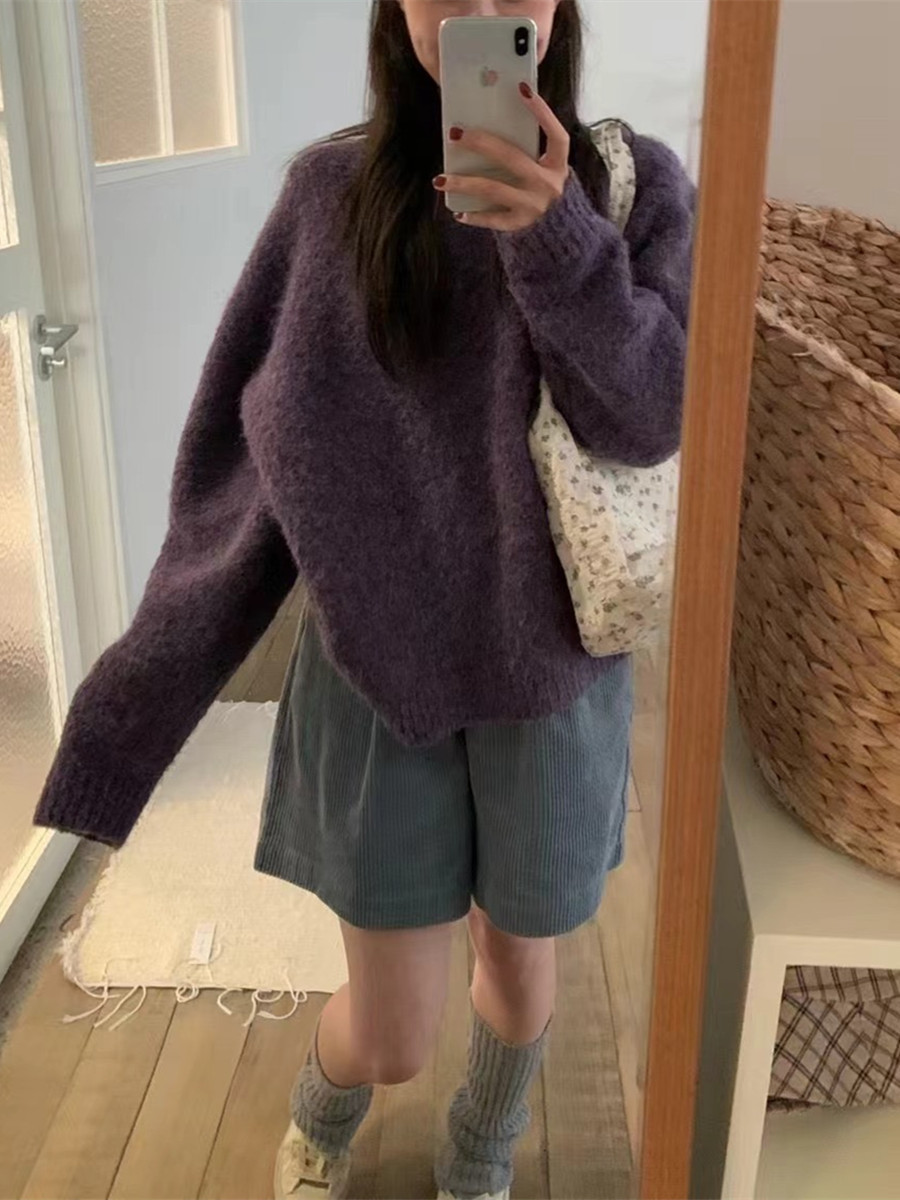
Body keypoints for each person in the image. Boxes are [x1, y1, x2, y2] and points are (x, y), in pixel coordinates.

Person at [35, 1, 693, 1196]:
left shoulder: (633, 188)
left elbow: (650, 416)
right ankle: (323, 1118)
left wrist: (555, 237)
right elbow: (246, 464)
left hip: (551, 678)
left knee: (520, 974)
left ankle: (480, 1155)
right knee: (391, 1033)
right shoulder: (328, 200)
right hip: (375, 672)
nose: (482, 8)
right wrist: (138, 696)